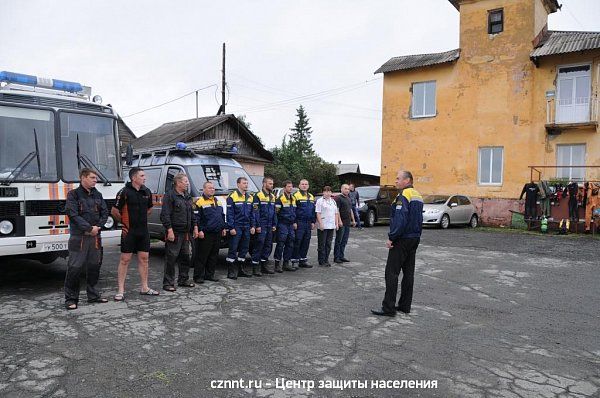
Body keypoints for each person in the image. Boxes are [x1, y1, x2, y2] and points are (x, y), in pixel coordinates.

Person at [372, 170, 423, 317]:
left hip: (402, 238)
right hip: (414, 238)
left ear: (407, 180)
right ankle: (405, 306)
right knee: (408, 273)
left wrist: (392, 237)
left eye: (398, 178)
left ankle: (388, 308)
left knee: (391, 273)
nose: (396, 181)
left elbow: (400, 219)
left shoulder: (403, 196)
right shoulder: (417, 195)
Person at [63, 168, 109, 310]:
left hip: (95, 237)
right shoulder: (73, 195)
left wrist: (97, 227)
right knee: (75, 268)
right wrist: (88, 228)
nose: (96, 180)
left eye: (96, 178)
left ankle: (93, 295)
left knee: (94, 266)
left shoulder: (98, 194)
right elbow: (73, 214)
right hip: (79, 238)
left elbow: (105, 212)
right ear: (83, 178)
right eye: (93, 178)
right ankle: (71, 299)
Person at [112, 167, 158, 301]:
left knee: (144, 259)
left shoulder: (147, 191)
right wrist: (126, 222)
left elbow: (149, 209)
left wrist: (140, 219)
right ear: (134, 178)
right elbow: (114, 211)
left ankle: (144, 287)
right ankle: (120, 290)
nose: (145, 178)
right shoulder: (124, 192)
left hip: (143, 231)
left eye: (144, 176)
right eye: (142, 175)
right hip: (129, 231)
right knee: (125, 260)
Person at [160, 173, 198, 291]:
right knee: (171, 258)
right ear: (178, 183)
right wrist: (169, 230)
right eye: (186, 181)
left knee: (185, 257)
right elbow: (165, 215)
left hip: (185, 233)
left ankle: (183, 279)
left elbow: (191, 213)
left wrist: (195, 226)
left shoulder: (186, 196)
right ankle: (168, 283)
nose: (187, 183)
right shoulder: (170, 195)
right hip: (174, 232)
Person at [194, 181, 227, 283]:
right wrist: (199, 230)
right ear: (204, 189)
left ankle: (209, 275)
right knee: (202, 256)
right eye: (209, 188)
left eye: (213, 188)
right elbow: (196, 218)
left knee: (213, 255)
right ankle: (198, 276)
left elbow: (222, 216)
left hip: (217, 232)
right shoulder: (199, 202)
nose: (212, 190)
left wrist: (223, 228)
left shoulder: (218, 201)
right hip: (205, 233)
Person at [226, 177, 256, 279]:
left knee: (244, 248)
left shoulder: (250, 197)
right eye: (244, 183)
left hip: (247, 226)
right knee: (233, 249)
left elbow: (252, 214)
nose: (246, 185)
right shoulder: (232, 196)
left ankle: (240, 270)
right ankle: (231, 272)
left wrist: (253, 226)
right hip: (237, 226)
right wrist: (231, 227)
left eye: (247, 183)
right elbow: (229, 214)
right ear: (238, 184)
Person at [251, 177, 277, 275]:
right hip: (261, 224)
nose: (271, 185)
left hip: (270, 225)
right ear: (264, 184)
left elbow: (274, 212)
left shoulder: (273, 196)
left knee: (268, 246)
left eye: (272, 184)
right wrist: (257, 225)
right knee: (259, 245)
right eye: (270, 183)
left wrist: (274, 224)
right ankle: (255, 267)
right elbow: (255, 212)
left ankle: (263, 265)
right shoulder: (258, 195)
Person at [292, 179, 316, 268]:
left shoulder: (311, 196)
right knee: (297, 241)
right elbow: (293, 210)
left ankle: (303, 260)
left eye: (306, 184)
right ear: (299, 185)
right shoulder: (295, 196)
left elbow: (313, 210)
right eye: (302, 184)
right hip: (299, 222)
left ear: (308, 186)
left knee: (306, 241)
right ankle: (294, 261)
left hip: (308, 222)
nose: (304, 186)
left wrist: (313, 221)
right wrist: (294, 221)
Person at [274, 180, 297, 272]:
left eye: (291, 186)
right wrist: (276, 225)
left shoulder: (293, 198)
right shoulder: (280, 199)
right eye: (288, 186)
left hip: (291, 225)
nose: (290, 188)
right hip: (282, 224)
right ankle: (277, 264)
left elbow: (294, 212)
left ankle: (286, 263)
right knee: (280, 244)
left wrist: (294, 222)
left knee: (290, 244)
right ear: (284, 188)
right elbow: (276, 213)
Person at [315, 186, 339, 266]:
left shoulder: (333, 201)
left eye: (329, 191)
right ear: (323, 192)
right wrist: (320, 223)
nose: (328, 193)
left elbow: (336, 213)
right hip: (323, 225)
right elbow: (318, 213)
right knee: (322, 243)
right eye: (326, 191)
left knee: (328, 243)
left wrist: (336, 223)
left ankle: (326, 259)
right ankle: (321, 260)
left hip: (331, 225)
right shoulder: (320, 201)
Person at [334, 184, 355, 264]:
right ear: (341, 189)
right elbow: (337, 211)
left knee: (344, 240)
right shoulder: (338, 198)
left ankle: (341, 256)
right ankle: (336, 257)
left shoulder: (348, 199)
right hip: (341, 223)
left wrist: (353, 220)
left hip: (347, 223)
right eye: (345, 189)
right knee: (339, 240)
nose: (347, 190)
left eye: (348, 189)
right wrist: (339, 221)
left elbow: (350, 210)